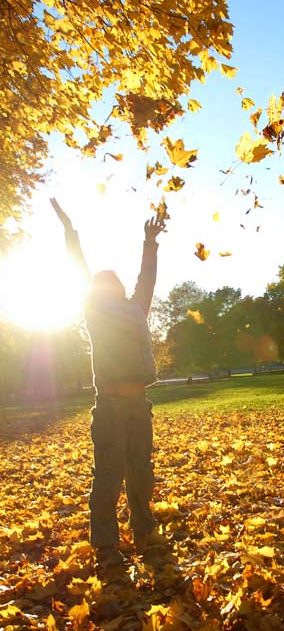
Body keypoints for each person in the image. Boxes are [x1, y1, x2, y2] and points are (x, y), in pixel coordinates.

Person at [50, 197, 166, 570]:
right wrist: (70, 232)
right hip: (111, 407)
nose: (109, 284)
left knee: (141, 475)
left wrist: (149, 243)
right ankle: (105, 546)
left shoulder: (137, 308)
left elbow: (146, 278)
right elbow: (79, 271)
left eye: (113, 281)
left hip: (138, 406)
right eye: (103, 283)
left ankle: (144, 533)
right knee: (108, 478)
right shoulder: (95, 313)